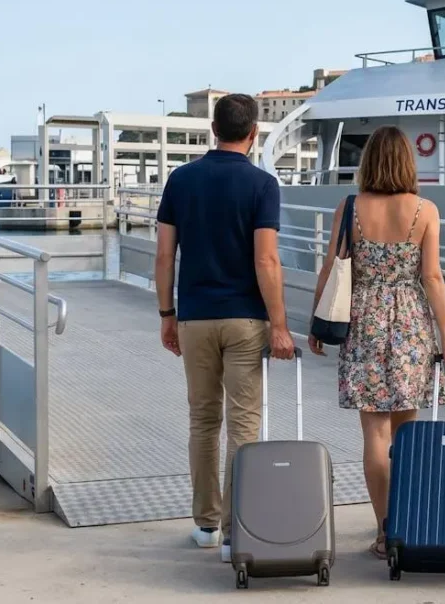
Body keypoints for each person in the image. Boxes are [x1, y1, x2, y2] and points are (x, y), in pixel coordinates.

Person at [307, 126, 445, 560]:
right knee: (407, 432)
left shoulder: (350, 207)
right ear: (408, 162)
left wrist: (316, 322)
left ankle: (383, 529)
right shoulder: (425, 210)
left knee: (374, 432)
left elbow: (333, 266)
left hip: (364, 322)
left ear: (369, 162)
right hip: (411, 322)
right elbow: (431, 277)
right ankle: (410, 524)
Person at [154, 93, 296, 562]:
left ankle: (205, 524)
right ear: (253, 133)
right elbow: (266, 259)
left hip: (194, 317)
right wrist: (279, 325)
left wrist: (166, 315)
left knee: (203, 421)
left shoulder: (181, 180)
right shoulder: (262, 184)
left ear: (213, 129)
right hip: (245, 320)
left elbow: (163, 255)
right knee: (243, 423)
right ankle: (239, 528)